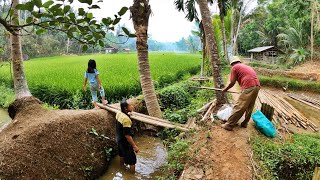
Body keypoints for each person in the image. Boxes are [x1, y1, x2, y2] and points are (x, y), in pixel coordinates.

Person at [221, 56, 260, 131]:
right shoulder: (245, 66)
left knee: (239, 106)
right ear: (239, 61)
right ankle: (245, 123)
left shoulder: (234, 67)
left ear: (232, 63)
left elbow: (232, 82)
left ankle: (229, 125)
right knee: (250, 106)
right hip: (257, 86)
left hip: (249, 86)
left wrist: (225, 89)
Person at [116, 99, 139, 173]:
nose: (132, 106)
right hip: (125, 142)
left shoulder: (119, 113)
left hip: (118, 139)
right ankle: (131, 176)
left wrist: (128, 115)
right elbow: (127, 136)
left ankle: (121, 169)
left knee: (121, 155)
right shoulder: (126, 120)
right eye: (130, 105)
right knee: (132, 162)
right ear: (126, 108)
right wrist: (134, 146)